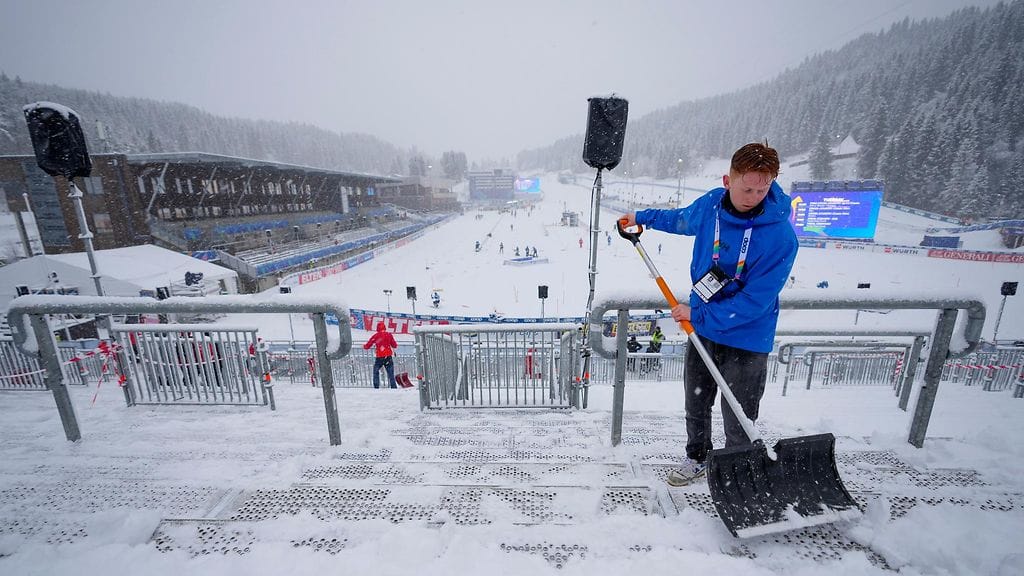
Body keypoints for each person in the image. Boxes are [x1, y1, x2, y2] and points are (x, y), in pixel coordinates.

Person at [619, 142, 798, 487]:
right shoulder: (712, 206)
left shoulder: (781, 237)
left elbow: (755, 303)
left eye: (763, 189)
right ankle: (697, 457)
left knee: (738, 415)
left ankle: (738, 471)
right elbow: (680, 218)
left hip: (746, 338)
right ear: (727, 180)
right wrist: (641, 218)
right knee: (696, 403)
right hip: (702, 327)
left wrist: (697, 316)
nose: (754, 196)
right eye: (747, 188)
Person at [363, 322, 398, 389]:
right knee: (391, 374)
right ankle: (393, 387)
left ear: (377, 328)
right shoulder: (389, 335)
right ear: (385, 327)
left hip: (379, 357)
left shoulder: (376, 336)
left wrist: (364, 346)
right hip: (388, 357)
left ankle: (376, 386)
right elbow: (394, 345)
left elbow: (368, 345)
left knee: (375, 372)